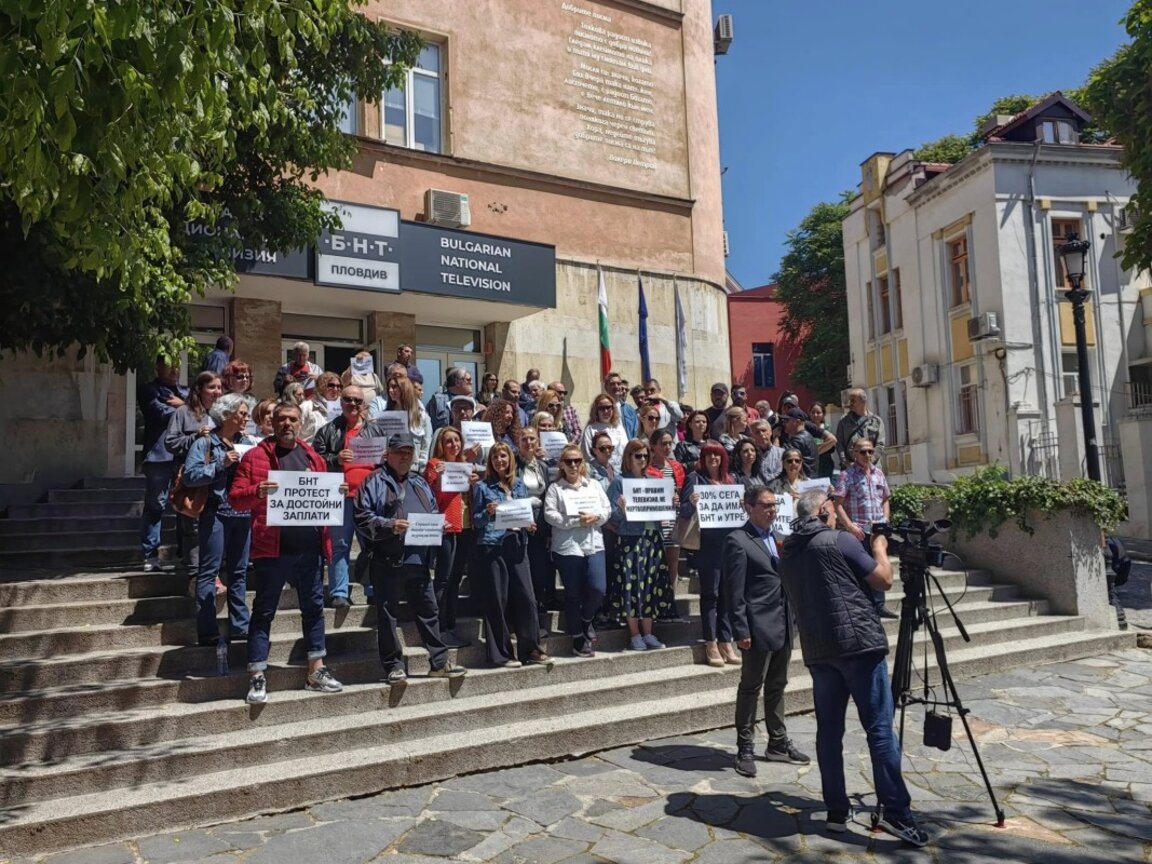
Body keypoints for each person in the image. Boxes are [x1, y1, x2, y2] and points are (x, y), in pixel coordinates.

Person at [779, 490, 928, 845]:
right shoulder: (838, 540)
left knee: (829, 733)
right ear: (823, 509)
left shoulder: (788, 552)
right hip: (859, 645)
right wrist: (879, 546)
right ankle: (897, 813)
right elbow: (883, 579)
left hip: (819, 650)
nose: (836, 513)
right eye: (833, 508)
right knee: (880, 730)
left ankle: (836, 810)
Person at [230, 402, 344, 704]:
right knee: (264, 611)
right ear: (272, 421)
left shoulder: (313, 457)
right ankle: (257, 674)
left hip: (310, 547)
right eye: (281, 419)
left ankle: (316, 670)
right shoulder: (255, 457)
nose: (287, 424)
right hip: (272, 548)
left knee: (314, 608)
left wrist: (336, 493)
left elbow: (324, 498)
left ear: (300, 422)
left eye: (292, 419)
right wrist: (257, 491)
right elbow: (235, 498)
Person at [354, 432, 467, 684]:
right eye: (399, 452)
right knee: (387, 616)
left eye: (409, 452)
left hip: (418, 559)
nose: (404, 456)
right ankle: (394, 665)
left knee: (429, 611)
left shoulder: (419, 482)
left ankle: (439, 662)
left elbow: (433, 510)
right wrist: (389, 525)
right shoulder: (373, 481)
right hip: (386, 559)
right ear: (388, 454)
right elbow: (361, 516)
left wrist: (439, 524)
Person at [726, 485, 809, 777]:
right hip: (757, 625)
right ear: (749, 508)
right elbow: (734, 591)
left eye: (774, 505)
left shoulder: (777, 537)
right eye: (766, 505)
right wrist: (741, 629)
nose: (772, 510)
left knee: (778, 683)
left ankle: (777, 742)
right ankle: (745, 746)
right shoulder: (738, 540)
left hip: (783, 622)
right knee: (751, 686)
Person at [183, 394, 253, 648]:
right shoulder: (206, 443)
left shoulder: (247, 442)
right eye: (242, 413)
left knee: (239, 572)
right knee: (209, 571)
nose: (246, 418)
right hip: (216, 513)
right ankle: (207, 630)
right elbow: (190, 476)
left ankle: (240, 626)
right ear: (226, 415)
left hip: (243, 514)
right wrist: (220, 465)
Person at [473, 443, 552, 668]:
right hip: (493, 545)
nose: (499, 460)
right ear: (490, 461)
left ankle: (531, 649)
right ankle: (502, 654)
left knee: (527, 597)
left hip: (517, 544)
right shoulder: (482, 487)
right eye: (495, 457)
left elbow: (524, 514)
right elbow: (476, 521)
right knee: (498, 600)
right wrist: (487, 513)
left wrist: (530, 525)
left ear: (510, 459)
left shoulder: (519, 485)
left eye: (503, 456)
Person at [312, 385, 387, 608]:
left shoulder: (376, 431)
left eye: (357, 400)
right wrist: (335, 459)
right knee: (340, 545)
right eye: (348, 399)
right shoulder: (328, 431)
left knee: (372, 546)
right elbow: (314, 461)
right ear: (341, 402)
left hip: (370, 498)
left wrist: (385, 459)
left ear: (364, 404)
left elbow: (386, 466)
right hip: (340, 497)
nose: (352, 404)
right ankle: (339, 593)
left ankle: (373, 590)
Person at [544, 445, 611, 657]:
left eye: (577, 461)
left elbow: (606, 509)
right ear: (561, 465)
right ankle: (577, 636)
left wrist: (596, 517)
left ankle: (585, 619)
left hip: (593, 543)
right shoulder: (556, 488)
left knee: (598, 588)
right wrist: (575, 521)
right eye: (569, 461)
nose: (573, 465)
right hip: (568, 546)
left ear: (583, 463)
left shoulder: (594, 485)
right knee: (572, 594)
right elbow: (549, 515)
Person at [607, 439, 672, 650]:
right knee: (631, 586)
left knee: (650, 586)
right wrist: (621, 509)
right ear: (628, 457)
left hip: (652, 539)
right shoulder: (619, 482)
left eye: (645, 456)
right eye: (638, 456)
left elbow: (662, 510)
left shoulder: (653, 480)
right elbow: (610, 517)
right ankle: (635, 634)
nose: (642, 459)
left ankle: (648, 633)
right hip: (630, 540)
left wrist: (670, 504)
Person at [683, 442, 740, 667]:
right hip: (707, 546)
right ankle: (711, 642)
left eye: (717, 455)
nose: (713, 459)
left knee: (727, 595)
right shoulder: (695, 479)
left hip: (729, 545)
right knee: (711, 594)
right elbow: (683, 512)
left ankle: (726, 640)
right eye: (708, 455)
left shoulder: (731, 481)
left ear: (723, 458)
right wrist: (691, 503)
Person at [424, 427, 479, 647]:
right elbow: (429, 494)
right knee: (443, 579)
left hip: (466, 527)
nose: (454, 445)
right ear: (441, 444)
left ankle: (450, 626)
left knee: (455, 580)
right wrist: (437, 477)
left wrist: (474, 484)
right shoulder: (434, 465)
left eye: (457, 440)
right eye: (449, 441)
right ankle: (437, 629)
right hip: (446, 527)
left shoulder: (465, 466)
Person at [165, 371, 223, 571]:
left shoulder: (221, 414)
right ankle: (194, 571)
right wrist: (195, 437)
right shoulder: (184, 412)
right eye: (212, 387)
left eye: (219, 387)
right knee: (192, 524)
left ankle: (213, 570)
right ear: (199, 389)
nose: (217, 392)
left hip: (216, 477)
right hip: (191, 478)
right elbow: (170, 442)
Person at [834, 438, 895, 619]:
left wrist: (885, 520)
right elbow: (837, 504)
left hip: (877, 531)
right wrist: (850, 526)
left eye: (870, 451)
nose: (867, 455)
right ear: (855, 453)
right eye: (863, 451)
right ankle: (863, 607)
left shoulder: (879, 474)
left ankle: (880, 605)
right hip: (859, 531)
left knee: (879, 566)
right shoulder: (847, 475)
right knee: (862, 570)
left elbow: (885, 499)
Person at [138, 359, 188, 572]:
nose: (175, 370)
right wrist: (187, 408)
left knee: (186, 507)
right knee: (155, 506)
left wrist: (184, 406)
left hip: (184, 456)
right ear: (158, 368)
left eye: (177, 366)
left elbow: (202, 413)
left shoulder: (186, 392)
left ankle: (186, 555)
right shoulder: (149, 389)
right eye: (169, 366)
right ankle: (150, 556)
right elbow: (161, 413)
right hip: (159, 457)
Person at [517, 426, 556, 624]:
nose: (529, 442)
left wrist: (548, 529)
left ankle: (539, 606)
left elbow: (547, 495)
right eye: (524, 439)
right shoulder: (514, 465)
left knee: (539, 566)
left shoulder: (543, 466)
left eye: (532, 438)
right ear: (518, 442)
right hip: (520, 519)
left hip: (540, 520)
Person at [649, 429, 686, 621]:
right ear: (653, 446)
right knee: (656, 565)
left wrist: (678, 498)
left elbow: (682, 490)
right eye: (663, 443)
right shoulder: (647, 468)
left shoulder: (676, 467)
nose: (667, 447)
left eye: (670, 443)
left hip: (673, 520)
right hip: (655, 522)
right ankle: (654, 604)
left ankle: (670, 603)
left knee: (673, 564)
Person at [386, 376, 433, 471]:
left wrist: (421, 467)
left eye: (394, 387)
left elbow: (426, 444)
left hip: (413, 469)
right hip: (390, 468)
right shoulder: (386, 415)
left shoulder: (421, 416)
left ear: (404, 388)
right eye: (389, 387)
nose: (390, 390)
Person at [836, 388, 886, 469]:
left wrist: (868, 461)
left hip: (872, 468)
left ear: (863, 401)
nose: (850, 403)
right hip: (851, 468)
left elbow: (880, 445)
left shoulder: (876, 421)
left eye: (853, 401)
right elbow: (839, 444)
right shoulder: (844, 421)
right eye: (850, 400)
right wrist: (845, 461)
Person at [581, 393, 628, 474]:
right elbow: (588, 455)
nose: (606, 411)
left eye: (608, 407)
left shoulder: (619, 428)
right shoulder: (590, 429)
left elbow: (625, 449)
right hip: (598, 472)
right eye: (602, 408)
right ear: (596, 410)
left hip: (620, 470)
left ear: (613, 409)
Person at [427, 367, 474, 431]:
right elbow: (429, 428)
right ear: (457, 382)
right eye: (468, 380)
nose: (471, 382)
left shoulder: (474, 402)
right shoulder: (438, 401)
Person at [779, 408, 820, 477]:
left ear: (797, 422)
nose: (784, 424)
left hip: (803, 480)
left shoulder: (799, 440)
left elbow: (779, 456)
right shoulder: (807, 436)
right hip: (809, 478)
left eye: (787, 421)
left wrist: (776, 437)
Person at [748, 419, 784, 484]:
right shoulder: (749, 454)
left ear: (770, 432)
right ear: (752, 436)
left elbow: (781, 473)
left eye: (764, 430)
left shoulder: (782, 453)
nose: (761, 434)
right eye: (757, 432)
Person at [604, 371, 639, 439]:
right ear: (606, 387)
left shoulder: (629, 410)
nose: (616, 386)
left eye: (619, 384)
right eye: (612, 384)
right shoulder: (601, 408)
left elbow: (636, 432)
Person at [675, 410, 710, 475]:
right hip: (692, 478)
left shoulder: (712, 444)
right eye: (697, 422)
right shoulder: (682, 445)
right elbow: (677, 467)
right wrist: (694, 464)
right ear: (690, 425)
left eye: (704, 422)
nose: (701, 424)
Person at [809, 402, 836, 478]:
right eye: (813, 412)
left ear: (823, 414)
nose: (815, 415)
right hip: (812, 465)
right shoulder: (807, 428)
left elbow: (831, 444)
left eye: (818, 413)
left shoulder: (827, 427)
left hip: (826, 464)